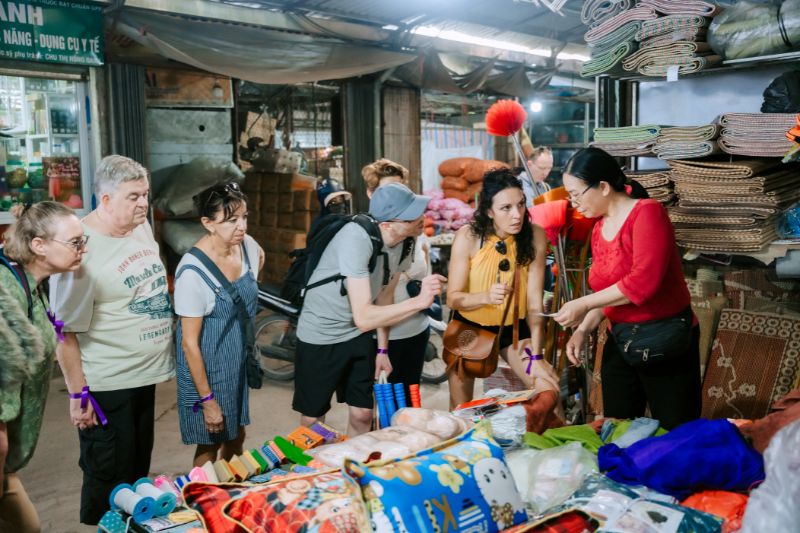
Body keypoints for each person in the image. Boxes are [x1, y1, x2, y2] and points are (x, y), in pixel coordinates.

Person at [50, 155, 175, 525]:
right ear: (105, 200)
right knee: (108, 482)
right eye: (132, 196)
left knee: (137, 480)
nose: (142, 204)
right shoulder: (81, 252)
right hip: (106, 385)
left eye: (145, 195)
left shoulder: (139, 227)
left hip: (143, 379)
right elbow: (64, 333)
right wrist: (78, 395)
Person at [554, 147, 700, 430]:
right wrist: (583, 329)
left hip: (665, 341)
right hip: (621, 342)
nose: (573, 203)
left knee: (676, 433)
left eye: (576, 194)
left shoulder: (647, 213)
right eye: (568, 196)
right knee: (618, 429)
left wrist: (582, 303)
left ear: (604, 187)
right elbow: (611, 294)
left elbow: (642, 283)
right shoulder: (598, 229)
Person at [293, 183, 445, 436]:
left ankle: (357, 470)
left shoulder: (406, 242)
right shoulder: (356, 238)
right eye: (412, 215)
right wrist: (419, 301)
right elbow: (364, 316)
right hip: (321, 334)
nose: (422, 219)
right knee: (313, 420)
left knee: (363, 414)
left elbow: (384, 296)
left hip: (357, 332)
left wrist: (382, 349)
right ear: (387, 224)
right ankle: (320, 472)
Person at [0, 202, 86, 531]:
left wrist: (79, 392)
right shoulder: (8, 290)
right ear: (38, 245)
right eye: (74, 242)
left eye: (84, 241)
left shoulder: (31, 284)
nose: (83, 250)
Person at [446, 168, 558, 409]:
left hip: (514, 329)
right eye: (506, 208)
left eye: (520, 204)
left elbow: (535, 304)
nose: (517, 215)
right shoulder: (468, 236)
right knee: (460, 409)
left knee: (547, 390)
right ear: (489, 211)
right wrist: (484, 296)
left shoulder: (535, 235)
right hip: (469, 326)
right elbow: (452, 299)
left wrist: (537, 357)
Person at [174, 181, 263, 467]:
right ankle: (202, 500)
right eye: (231, 220)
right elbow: (189, 344)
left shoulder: (246, 246)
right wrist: (208, 400)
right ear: (207, 223)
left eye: (244, 217)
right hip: (207, 367)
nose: (241, 226)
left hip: (236, 358)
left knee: (236, 434)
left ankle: (231, 493)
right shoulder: (192, 272)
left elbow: (259, 258)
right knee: (210, 441)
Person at [362, 159, 431, 394]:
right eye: (389, 191)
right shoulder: (367, 239)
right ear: (371, 194)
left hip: (416, 329)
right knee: (378, 407)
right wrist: (382, 348)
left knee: (410, 403)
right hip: (381, 336)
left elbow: (425, 271)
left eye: (402, 191)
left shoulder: (415, 232)